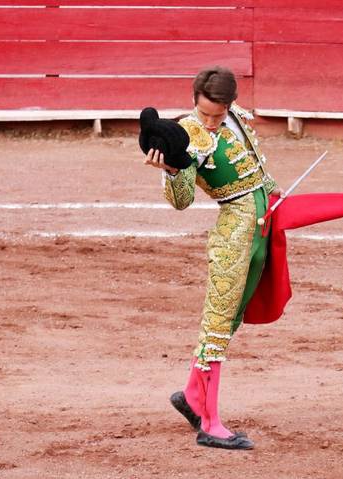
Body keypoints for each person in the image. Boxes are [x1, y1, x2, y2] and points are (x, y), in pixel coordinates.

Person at [142, 66, 282, 450]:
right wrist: (172, 169)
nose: (211, 122)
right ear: (194, 102)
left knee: (232, 317)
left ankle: (191, 395)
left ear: (231, 105)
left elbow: (257, 171)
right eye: (205, 114)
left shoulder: (233, 118)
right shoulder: (184, 135)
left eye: (218, 115)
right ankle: (210, 423)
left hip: (260, 228)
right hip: (234, 236)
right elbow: (181, 202)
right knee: (217, 327)